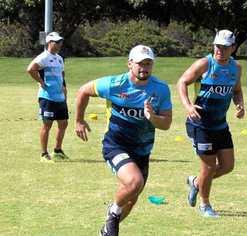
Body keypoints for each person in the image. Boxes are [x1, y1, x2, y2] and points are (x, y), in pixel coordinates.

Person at [75, 45, 172, 236]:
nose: (144, 67)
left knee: (132, 197)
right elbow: (83, 91)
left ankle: (106, 229)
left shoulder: (160, 89)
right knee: (134, 182)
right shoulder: (114, 84)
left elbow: (167, 123)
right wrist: (79, 120)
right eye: (140, 63)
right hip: (115, 145)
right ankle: (112, 212)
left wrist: (152, 117)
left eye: (148, 63)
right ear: (129, 64)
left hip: (142, 151)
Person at [177, 29, 245, 218]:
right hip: (200, 124)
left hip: (220, 125)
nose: (219, 50)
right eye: (217, 46)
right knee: (208, 166)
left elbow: (237, 90)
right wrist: (188, 106)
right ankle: (205, 205)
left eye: (224, 47)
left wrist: (240, 104)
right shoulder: (205, 64)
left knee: (227, 166)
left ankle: (197, 183)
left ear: (233, 48)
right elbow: (182, 82)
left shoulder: (236, 68)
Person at [26, 32, 69, 163]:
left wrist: (64, 88)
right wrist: (41, 81)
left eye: (60, 42)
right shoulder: (43, 57)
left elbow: (62, 74)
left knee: (63, 123)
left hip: (60, 97)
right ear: (49, 43)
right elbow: (30, 69)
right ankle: (44, 154)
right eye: (56, 42)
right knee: (47, 125)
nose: (59, 44)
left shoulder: (60, 58)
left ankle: (57, 151)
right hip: (47, 97)